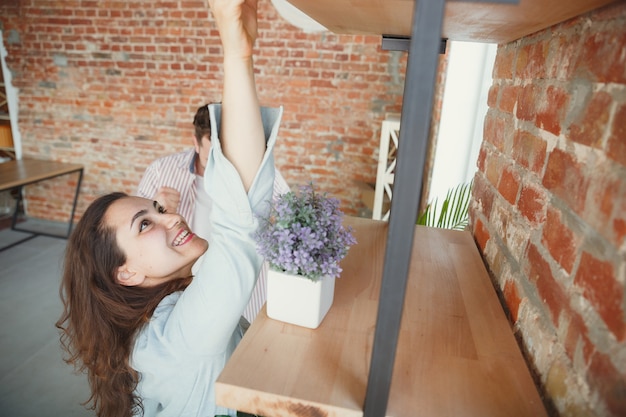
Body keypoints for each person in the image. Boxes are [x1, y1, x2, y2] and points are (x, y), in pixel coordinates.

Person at [55, 1, 278, 416]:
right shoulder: (182, 335)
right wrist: (237, 51)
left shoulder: (156, 322)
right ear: (126, 273)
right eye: (145, 224)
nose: (172, 216)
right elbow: (242, 222)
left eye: (156, 208)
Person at [137, 103, 289, 324]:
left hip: (245, 291)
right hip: (182, 294)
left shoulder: (261, 174)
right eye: (212, 160)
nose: (220, 170)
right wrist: (154, 208)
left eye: (226, 160)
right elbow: (133, 243)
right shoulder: (161, 171)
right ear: (196, 143)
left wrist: (273, 221)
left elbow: (291, 224)